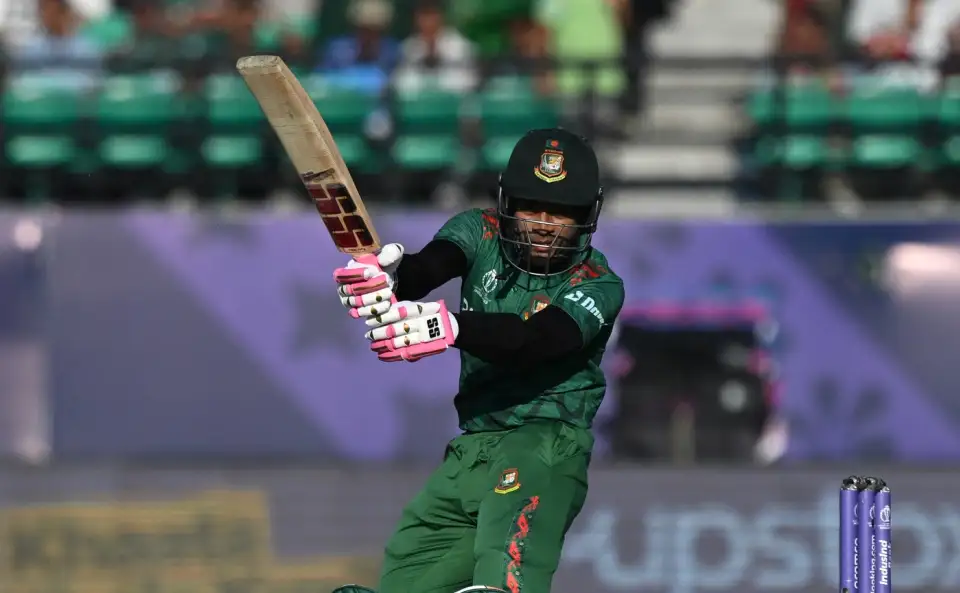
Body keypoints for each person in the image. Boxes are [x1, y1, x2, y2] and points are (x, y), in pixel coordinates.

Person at [332, 128, 625, 593]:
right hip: (470, 451)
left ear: (587, 215)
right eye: (531, 207)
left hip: (544, 442)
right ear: (507, 202)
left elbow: (537, 340)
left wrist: (450, 327)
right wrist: (390, 279)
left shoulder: (599, 283)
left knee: (501, 578)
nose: (544, 224)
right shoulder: (479, 230)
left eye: (561, 212)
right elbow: (430, 266)